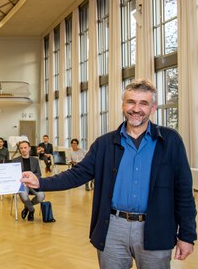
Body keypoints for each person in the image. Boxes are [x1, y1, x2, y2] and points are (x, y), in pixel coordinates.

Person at [21, 79, 197, 268]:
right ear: (123, 104)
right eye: (131, 102)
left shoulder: (170, 141)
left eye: (143, 103)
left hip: (156, 226)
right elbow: (77, 174)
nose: (136, 108)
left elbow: (184, 192)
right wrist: (40, 182)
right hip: (113, 228)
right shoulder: (104, 144)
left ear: (153, 108)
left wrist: (187, 235)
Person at [12, 140, 44, 221]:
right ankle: (31, 210)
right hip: (22, 183)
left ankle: (27, 207)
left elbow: (39, 174)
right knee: (23, 195)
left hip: (33, 183)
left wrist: (31, 178)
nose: (23, 150)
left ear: (29, 148)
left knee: (41, 197)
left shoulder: (35, 160)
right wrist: (23, 180)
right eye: (21, 148)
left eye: (25, 148)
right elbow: (14, 175)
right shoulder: (15, 160)